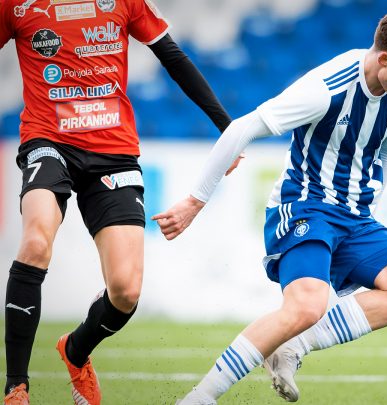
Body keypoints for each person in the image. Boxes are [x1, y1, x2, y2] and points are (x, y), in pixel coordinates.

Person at [154, 1, 387, 403]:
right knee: (306, 307)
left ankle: (292, 346)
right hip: (305, 205)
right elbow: (242, 128)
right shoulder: (326, 88)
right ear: (383, 59)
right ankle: (199, 398)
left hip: (357, 215)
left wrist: (374, 203)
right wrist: (195, 201)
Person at [0, 0, 236, 404]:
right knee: (36, 242)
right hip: (48, 140)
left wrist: (228, 129)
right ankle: (16, 387)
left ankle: (75, 351)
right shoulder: (16, 5)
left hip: (113, 151)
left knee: (125, 291)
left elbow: (173, 57)